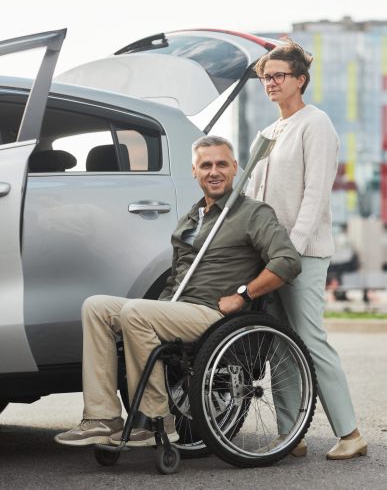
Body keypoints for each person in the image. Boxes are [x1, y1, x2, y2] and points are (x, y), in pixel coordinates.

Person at [55, 135, 301, 448]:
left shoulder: (252, 213)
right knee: (96, 307)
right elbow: (176, 277)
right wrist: (160, 309)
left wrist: (243, 295)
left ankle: (155, 419)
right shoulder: (191, 218)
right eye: (206, 165)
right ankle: (102, 418)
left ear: (235, 168)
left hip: (215, 314)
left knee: (135, 312)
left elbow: (288, 261)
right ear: (194, 172)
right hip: (179, 308)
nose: (214, 171)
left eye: (222, 164)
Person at [246, 39, 367, 460]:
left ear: (301, 80)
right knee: (279, 341)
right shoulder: (267, 132)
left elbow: (315, 196)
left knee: (310, 338)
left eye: (279, 75)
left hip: (302, 254)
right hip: (269, 254)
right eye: (266, 76)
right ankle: (290, 433)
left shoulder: (317, 124)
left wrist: (289, 255)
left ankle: (350, 433)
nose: (271, 82)